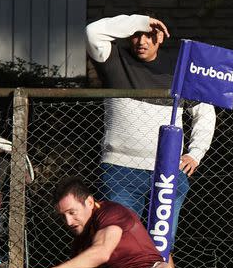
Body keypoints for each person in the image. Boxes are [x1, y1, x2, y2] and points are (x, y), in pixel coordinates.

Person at [85, 14, 216, 237]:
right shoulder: (113, 59)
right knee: (121, 242)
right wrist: (140, 21)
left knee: (161, 246)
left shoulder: (178, 70)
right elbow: (92, 31)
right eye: (136, 35)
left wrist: (196, 153)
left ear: (161, 38)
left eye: (149, 35)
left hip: (167, 171)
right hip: (120, 172)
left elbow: (205, 111)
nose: (142, 41)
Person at [12, 177, 194, 268]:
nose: (68, 221)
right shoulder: (79, 244)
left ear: (90, 202)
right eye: (63, 216)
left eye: (72, 212)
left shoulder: (111, 211)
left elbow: (102, 252)